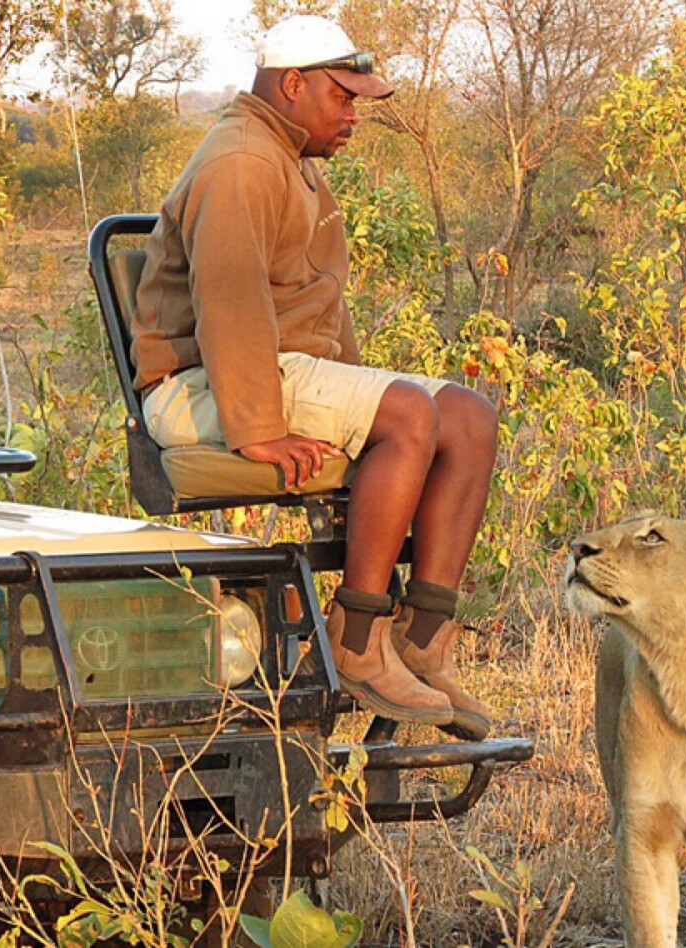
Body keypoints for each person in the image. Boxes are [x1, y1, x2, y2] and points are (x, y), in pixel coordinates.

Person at [131, 14, 498, 738]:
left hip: (270, 370)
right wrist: (261, 431)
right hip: (200, 388)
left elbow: (318, 318)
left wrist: (365, 403)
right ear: (292, 85)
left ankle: (421, 639)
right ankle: (359, 643)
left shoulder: (290, 158)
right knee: (407, 418)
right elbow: (228, 307)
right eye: (345, 95)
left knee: (467, 417)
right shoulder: (241, 163)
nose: (354, 112)